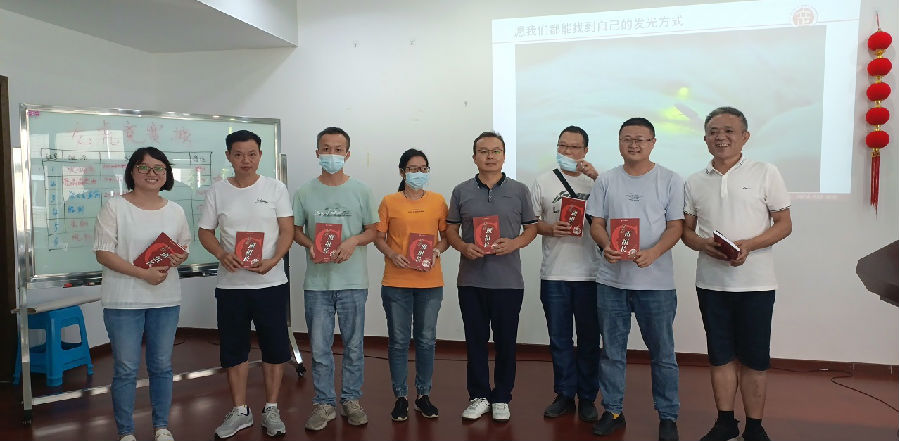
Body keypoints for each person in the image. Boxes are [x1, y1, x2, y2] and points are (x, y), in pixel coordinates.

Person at [682, 106, 792, 441]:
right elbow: (686, 232)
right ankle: (725, 422)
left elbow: (784, 224)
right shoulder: (694, 180)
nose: (721, 137)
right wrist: (704, 245)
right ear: (705, 138)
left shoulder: (765, 172)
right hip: (711, 284)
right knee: (720, 357)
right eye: (714, 131)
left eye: (729, 131)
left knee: (755, 359)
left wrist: (750, 245)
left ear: (745, 137)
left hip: (756, 284)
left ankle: (755, 427)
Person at [586, 118, 683, 441]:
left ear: (653, 143)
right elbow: (596, 223)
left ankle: (667, 416)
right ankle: (613, 410)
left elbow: (676, 226)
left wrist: (654, 252)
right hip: (612, 282)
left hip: (656, 284)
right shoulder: (607, 180)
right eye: (627, 139)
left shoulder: (670, 179)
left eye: (641, 139)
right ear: (619, 142)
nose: (634, 144)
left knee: (663, 353)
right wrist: (605, 245)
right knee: (611, 352)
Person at [198, 130, 294, 438]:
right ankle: (240, 411)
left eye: (252, 154)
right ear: (229, 156)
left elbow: (287, 230)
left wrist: (274, 259)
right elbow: (205, 232)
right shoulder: (217, 191)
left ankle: (271, 408)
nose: (246, 160)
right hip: (232, 287)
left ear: (260, 155)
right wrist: (221, 254)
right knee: (234, 349)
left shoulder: (276, 188)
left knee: (275, 348)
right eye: (238, 154)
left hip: (271, 283)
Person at [94, 147, 190, 441]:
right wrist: (142, 274)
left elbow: (184, 248)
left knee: (162, 366)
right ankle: (126, 432)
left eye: (159, 168)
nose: (152, 173)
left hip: (165, 300)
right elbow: (103, 253)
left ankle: (162, 427)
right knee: (126, 368)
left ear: (167, 174)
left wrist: (179, 257)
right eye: (144, 167)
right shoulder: (114, 207)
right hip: (123, 300)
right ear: (132, 172)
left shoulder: (175, 210)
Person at [445, 131, 538, 422]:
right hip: (471, 280)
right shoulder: (461, 191)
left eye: (496, 151)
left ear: (504, 156)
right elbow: (450, 229)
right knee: (475, 341)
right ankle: (479, 396)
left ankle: (502, 397)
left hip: (508, 282)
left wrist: (514, 243)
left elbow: (531, 228)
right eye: (483, 151)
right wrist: (463, 246)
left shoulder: (519, 190)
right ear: (474, 157)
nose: (490, 156)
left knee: (506, 342)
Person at [292, 126, 378, 431]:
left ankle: (351, 400)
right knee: (320, 348)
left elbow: (373, 230)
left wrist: (353, 241)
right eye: (326, 149)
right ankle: (324, 403)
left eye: (338, 150)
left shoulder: (362, 191)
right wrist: (309, 245)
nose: (332, 154)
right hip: (317, 284)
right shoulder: (304, 192)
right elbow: (295, 231)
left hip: (353, 282)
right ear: (317, 153)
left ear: (347, 154)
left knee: (354, 346)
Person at [530, 125, 601, 422]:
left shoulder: (599, 182)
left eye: (573, 147)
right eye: (562, 146)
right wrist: (550, 228)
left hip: (591, 275)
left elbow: (616, 218)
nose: (567, 151)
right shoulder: (542, 181)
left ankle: (588, 397)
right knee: (559, 338)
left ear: (585, 151)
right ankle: (564, 394)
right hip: (555, 274)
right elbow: (531, 223)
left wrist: (598, 178)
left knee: (589, 340)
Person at [373, 148, 449, 422]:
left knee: (426, 340)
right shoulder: (389, 201)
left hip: (430, 282)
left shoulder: (438, 201)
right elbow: (378, 237)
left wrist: (437, 250)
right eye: (413, 169)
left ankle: (423, 395)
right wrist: (392, 254)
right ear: (402, 172)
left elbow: (447, 237)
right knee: (398, 341)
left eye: (423, 169)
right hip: (396, 282)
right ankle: (401, 397)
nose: (418, 173)